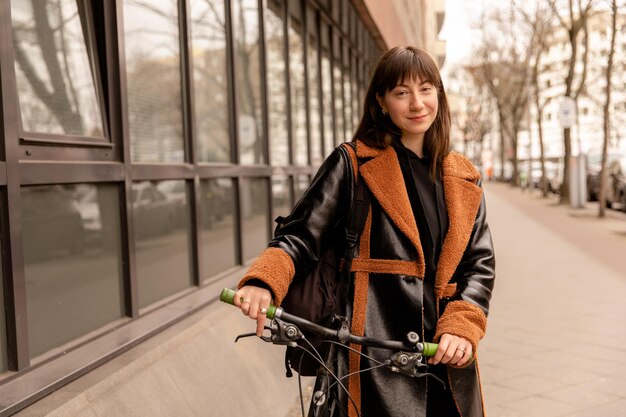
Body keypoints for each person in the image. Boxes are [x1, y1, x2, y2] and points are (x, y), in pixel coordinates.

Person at [234, 46, 495, 417]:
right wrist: (263, 281)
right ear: (382, 102)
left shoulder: (462, 175)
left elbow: (479, 264)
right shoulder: (353, 162)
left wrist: (462, 326)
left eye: (426, 89)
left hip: (446, 358)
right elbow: (301, 235)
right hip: (372, 358)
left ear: (439, 93)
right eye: (401, 92)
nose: (417, 103)